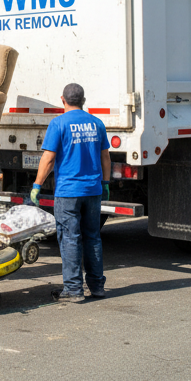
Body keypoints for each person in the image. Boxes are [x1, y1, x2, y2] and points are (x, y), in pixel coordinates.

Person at [31, 82, 111, 303]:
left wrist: (37, 185)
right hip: (93, 191)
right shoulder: (97, 123)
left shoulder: (58, 124)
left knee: (70, 238)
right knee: (93, 237)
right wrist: (105, 182)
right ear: (83, 101)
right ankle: (97, 287)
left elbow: (48, 159)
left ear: (62, 100)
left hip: (68, 192)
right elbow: (105, 157)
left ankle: (74, 290)